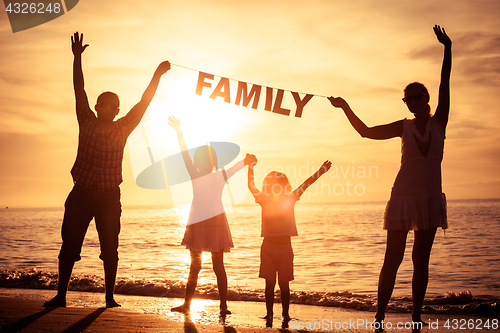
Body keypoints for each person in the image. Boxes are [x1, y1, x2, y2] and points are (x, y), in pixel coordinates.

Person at [328, 25, 451, 326]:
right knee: (392, 260)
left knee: (421, 259)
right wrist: (345, 106)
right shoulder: (403, 127)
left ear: (427, 99)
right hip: (403, 198)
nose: (413, 102)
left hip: (430, 199)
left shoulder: (440, 122)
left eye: (417, 97)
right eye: (408, 99)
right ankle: (380, 315)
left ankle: (416, 315)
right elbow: (366, 132)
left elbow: (445, 81)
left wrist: (448, 48)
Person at [44, 32, 171, 308]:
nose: (108, 109)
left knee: (110, 250)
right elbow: (79, 89)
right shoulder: (86, 120)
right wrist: (77, 58)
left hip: (109, 197)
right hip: (81, 193)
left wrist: (157, 75)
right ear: (97, 107)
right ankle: (61, 296)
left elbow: (144, 102)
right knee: (69, 247)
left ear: (116, 111)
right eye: (104, 104)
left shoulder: (123, 127)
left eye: (114, 106)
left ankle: (109, 298)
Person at [168, 116, 255, 315]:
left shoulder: (220, 175)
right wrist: (180, 132)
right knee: (195, 266)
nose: (201, 162)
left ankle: (223, 306)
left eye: (206, 160)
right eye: (199, 159)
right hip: (198, 223)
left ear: (213, 162)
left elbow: (235, 168)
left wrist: (246, 161)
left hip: (215, 223)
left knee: (218, 267)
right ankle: (187, 305)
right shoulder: (194, 174)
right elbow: (184, 155)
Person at [248, 158, 331, 327]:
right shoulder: (265, 200)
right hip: (269, 247)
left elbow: (306, 183)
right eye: (273, 185)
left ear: (284, 186)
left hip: (285, 248)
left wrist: (321, 171)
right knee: (270, 284)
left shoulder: (290, 198)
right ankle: (270, 314)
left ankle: (285, 315)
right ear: (269, 187)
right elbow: (251, 186)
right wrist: (249, 167)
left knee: (284, 284)